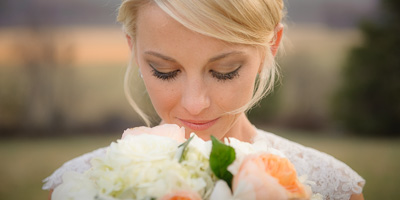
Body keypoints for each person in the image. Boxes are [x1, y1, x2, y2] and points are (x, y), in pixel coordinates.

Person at [43, 0, 365, 199]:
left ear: (271, 47)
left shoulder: (334, 188)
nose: (195, 103)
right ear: (134, 49)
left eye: (225, 71)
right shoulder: (76, 188)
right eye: (165, 71)